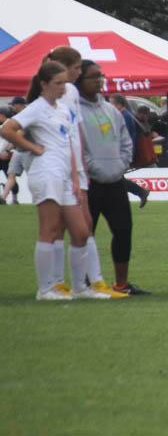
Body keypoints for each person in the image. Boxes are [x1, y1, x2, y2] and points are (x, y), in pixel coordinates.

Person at [0, 61, 109, 299]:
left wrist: (76, 178)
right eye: (58, 83)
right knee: (49, 230)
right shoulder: (37, 107)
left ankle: (80, 288)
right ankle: (46, 288)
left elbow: (69, 144)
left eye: (65, 83)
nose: (63, 88)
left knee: (81, 232)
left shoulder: (63, 109)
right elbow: (7, 129)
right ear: (43, 84)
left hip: (65, 176)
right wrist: (31, 147)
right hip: (46, 173)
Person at [45, 45, 123, 297]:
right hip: (61, 169)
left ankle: (84, 284)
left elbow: (75, 132)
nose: (79, 73)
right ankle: (58, 283)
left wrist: (80, 169)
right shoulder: (59, 94)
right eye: (77, 68)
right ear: (63, 67)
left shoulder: (70, 92)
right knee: (59, 227)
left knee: (82, 225)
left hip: (75, 169)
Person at [76, 60, 149, 295]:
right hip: (89, 183)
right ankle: (87, 284)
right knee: (87, 234)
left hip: (115, 180)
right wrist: (94, 168)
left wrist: (120, 167)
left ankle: (122, 284)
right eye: (93, 76)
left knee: (123, 230)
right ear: (80, 79)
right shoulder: (74, 110)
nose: (99, 80)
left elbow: (126, 142)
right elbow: (76, 147)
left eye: (101, 75)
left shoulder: (110, 111)